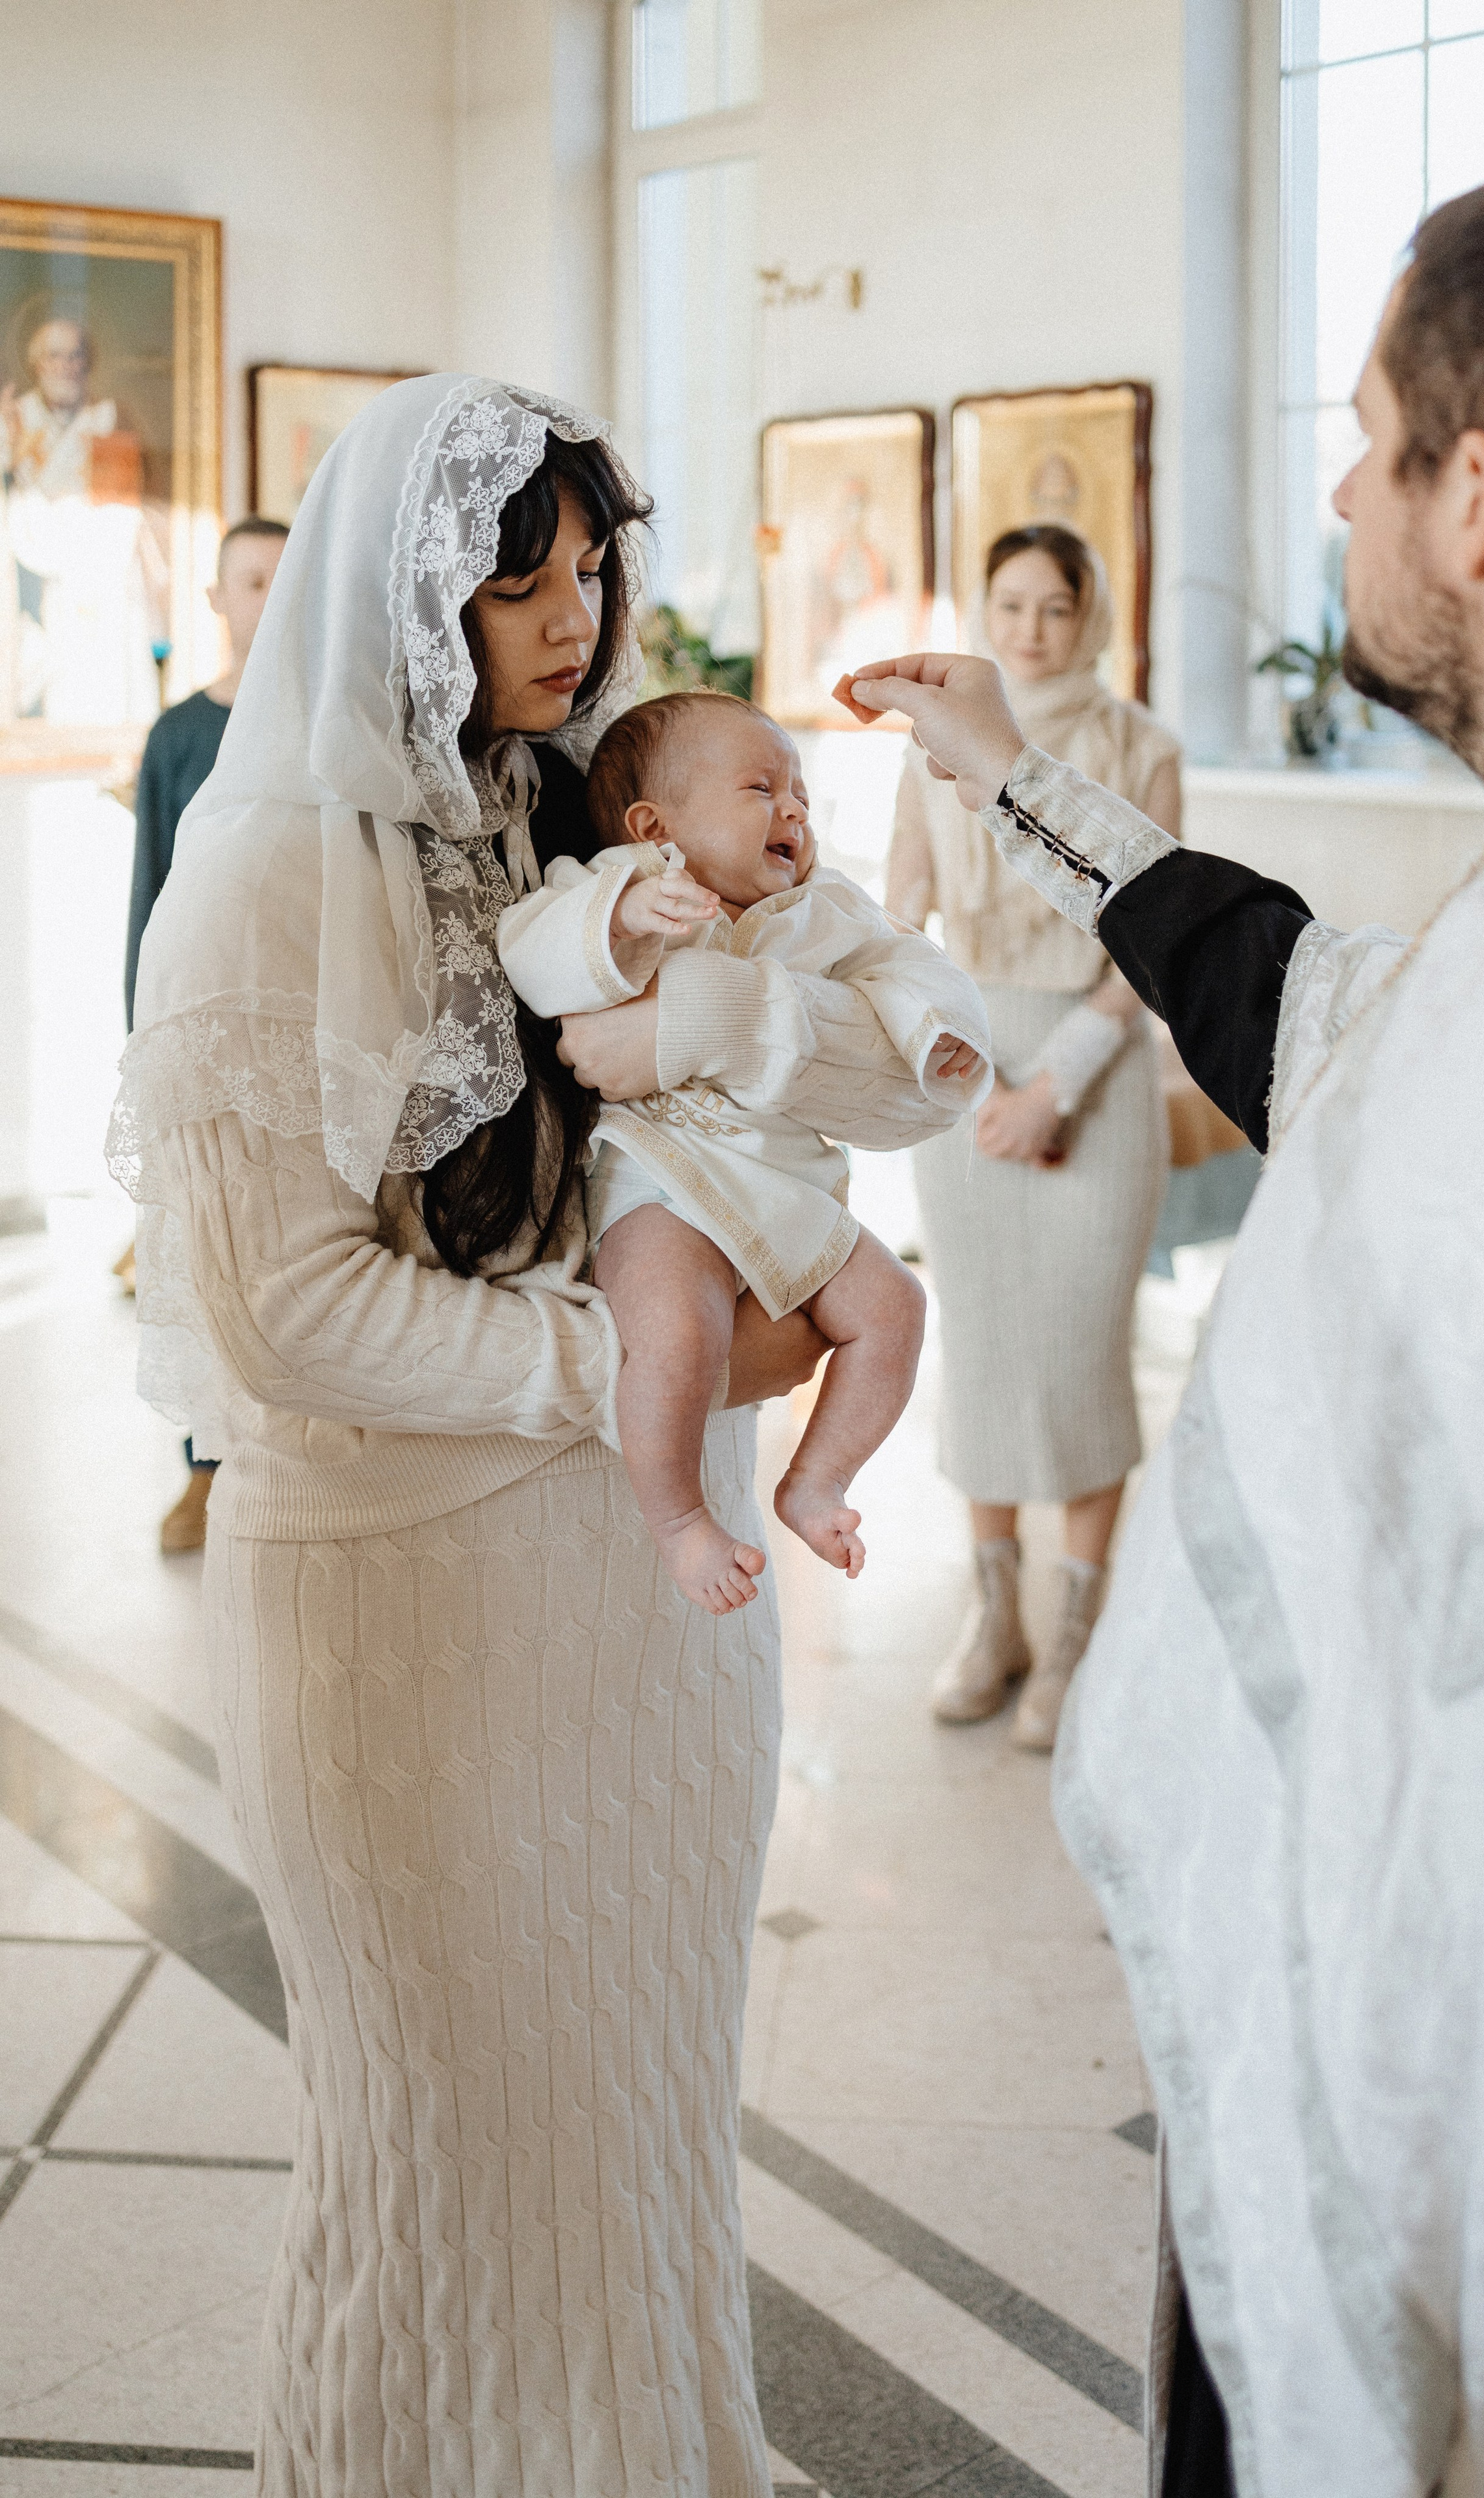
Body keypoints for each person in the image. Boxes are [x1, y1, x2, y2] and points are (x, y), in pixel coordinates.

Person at [838, 143, 1484, 2498]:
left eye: (1365, 441)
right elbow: (1314, 1001)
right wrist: (1010, 777)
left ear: (1478, 494)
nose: (1334, 493)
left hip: (1474, 2157)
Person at [111, 373, 969, 2498]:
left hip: (645, 1618)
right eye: (517, 579)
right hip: (406, 1610)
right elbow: (277, 1311)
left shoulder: (573, 814)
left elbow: (826, 1079)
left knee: (644, 2123)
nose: (573, 620)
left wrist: (780, 1005)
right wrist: (641, 1378)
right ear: (404, 588)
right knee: (440, 2156)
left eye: (592, 568)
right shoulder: (265, 871)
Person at [497, 688, 990, 1611]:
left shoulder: (822, 907)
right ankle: (681, 1518)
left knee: (896, 1306)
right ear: (655, 827)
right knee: (677, 1332)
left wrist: (933, 1029)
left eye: (798, 792)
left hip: (784, 1187)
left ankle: (817, 1480)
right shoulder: (613, 887)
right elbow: (527, 953)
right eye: (762, 789)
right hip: (663, 1180)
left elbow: (905, 964)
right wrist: (620, 916)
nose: (793, 810)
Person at [885, 524, 1178, 1749]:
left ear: (1089, 614)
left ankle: (1075, 1629)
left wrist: (1055, 1085)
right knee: (987, 1350)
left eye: (1055, 607)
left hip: (1092, 1071)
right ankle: (995, 1614)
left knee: (1079, 1354)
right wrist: (957, 1064)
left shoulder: (1141, 745)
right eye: (1009, 605)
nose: (1031, 630)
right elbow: (899, 924)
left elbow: (1157, 942)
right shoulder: (932, 744)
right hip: (966, 1063)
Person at [120, 515, 288, 1553]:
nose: (267, 600)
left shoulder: (321, 721)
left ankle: (281, 1460)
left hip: (292, 1026)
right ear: (220, 600)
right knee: (201, 1256)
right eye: (250, 582)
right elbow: (149, 900)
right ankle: (203, 1468)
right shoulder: (179, 736)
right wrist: (142, 1041)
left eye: (284, 579)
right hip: (197, 1029)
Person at [0, 313, 165, 725]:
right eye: (55, 356)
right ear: (36, 363)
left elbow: (118, 512)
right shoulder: (14, 418)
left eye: (76, 356)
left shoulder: (109, 418)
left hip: (97, 577)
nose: (66, 367)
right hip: (28, 577)